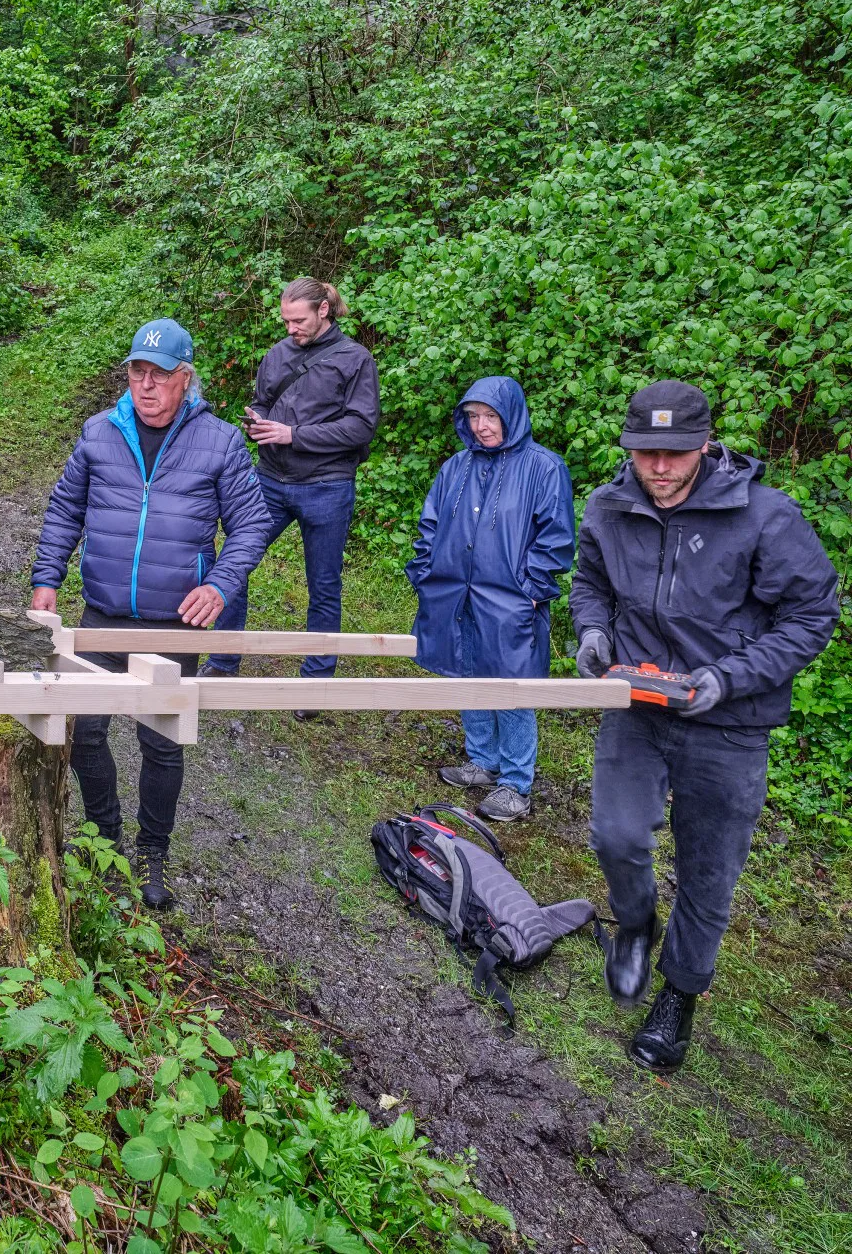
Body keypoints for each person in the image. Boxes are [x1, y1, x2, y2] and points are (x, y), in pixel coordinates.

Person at [572, 381, 837, 1073]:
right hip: (636, 702)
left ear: (707, 444)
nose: (658, 468)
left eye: (675, 453)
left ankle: (678, 997)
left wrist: (728, 678)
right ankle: (634, 925)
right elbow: (590, 583)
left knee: (708, 872)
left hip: (729, 722)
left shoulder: (765, 517)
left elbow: (812, 616)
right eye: (644, 453)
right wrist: (594, 630)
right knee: (616, 834)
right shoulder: (609, 506)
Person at [30, 319, 273, 910]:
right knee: (85, 731)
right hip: (102, 614)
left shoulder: (218, 442)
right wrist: (45, 580)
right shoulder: (99, 433)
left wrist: (219, 584)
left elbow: (252, 525)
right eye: (137, 372)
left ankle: (151, 851)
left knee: (161, 741)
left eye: (160, 375)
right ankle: (105, 836)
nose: (146, 385)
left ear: (185, 379)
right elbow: (65, 509)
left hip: (174, 623)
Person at [405, 378, 574, 822]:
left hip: (511, 598)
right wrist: (424, 575)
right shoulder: (456, 468)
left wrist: (531, 591)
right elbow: (429, 525)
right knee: (466, 670)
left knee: (510, 684)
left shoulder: (543, 467)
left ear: (511, 415)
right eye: (473, 416)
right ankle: (482, 760)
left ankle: (516, 782)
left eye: (490, 416)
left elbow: (555, 539)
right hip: (453, 591)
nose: (481, 426)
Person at [202, 276, 379, 686]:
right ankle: (223, 660)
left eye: (297, 320)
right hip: (270, 481)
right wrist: (258, 422)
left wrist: (293, 435)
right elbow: (264, 401)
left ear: (323, 311)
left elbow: (360, 428)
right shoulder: (278, 354)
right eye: (285, 321)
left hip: (327, 487)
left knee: (323, 584)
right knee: (235, 564)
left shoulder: (355, 360)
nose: (290, 329)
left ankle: (315, 679)